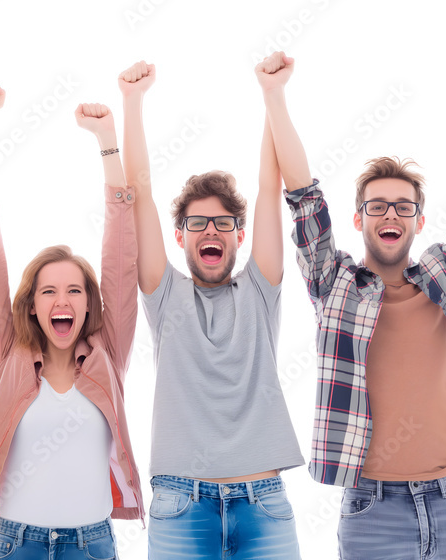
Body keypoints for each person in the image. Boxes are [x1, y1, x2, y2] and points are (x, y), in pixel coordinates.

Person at [262, 50, 446, 558]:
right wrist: (275, 96)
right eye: (378, 206)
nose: (391, 213)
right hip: (372, 510)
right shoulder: (333, 282)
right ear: (360, 219)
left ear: (417, 222)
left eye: (403, 207)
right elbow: (302, 197)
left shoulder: (445, 276)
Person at [119, 61, 305, 559]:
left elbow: (271, 188)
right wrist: (132, 104)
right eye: (197, 222)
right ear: (179, 236)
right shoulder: (164, 295)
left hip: (262, 504)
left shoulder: (260, 291)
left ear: (239, 236)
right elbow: (140, 197)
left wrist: (272, 94)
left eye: (223, 223)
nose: (211, 232)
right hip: (181, 506)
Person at [0, 83, 144, 559]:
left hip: (92, 544)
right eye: (48, 291)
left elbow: (122, 257)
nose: (61, 301)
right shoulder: (11, 354)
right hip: (17, 543)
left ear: (88, 304)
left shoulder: (109, 354)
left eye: (73, 291)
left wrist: (106, 139)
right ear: (33, 305)